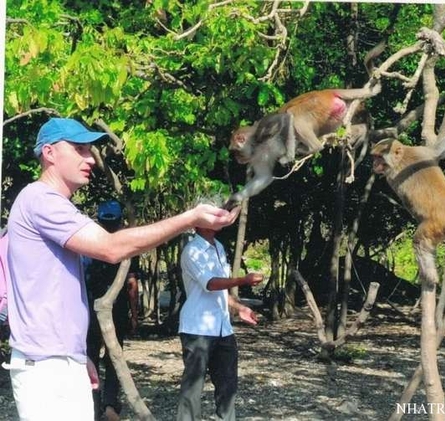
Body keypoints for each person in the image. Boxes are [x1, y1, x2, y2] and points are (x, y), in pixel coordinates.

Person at [4, 117, 240, 421]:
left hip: (58, 360)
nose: (90, 158)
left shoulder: (50, 203)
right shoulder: (41, 200)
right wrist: (190, 218)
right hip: (47, 367)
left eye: (90, 149)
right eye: (79, 149)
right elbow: (111, 248)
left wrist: (77, 355)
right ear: (49, 153)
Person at [177, 218, 264, 421]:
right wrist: (243, 280)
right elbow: (211, 284)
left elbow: (220, 290)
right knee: (193, 386)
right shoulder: (192, 251)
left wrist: (239, 307)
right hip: (198, 327)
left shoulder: (219, 247)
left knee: (228, 385)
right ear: (198, 224)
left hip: (222, 327)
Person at [85, 200, 140, 421]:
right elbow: (132, 285)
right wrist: (134, 315)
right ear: (120, 222)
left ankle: (93, 405)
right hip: (115, 312)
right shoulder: (126, 246)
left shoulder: (88, 244)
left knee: (90, 359)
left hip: (90, 311)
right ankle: (110, 405)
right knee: (113, 358)